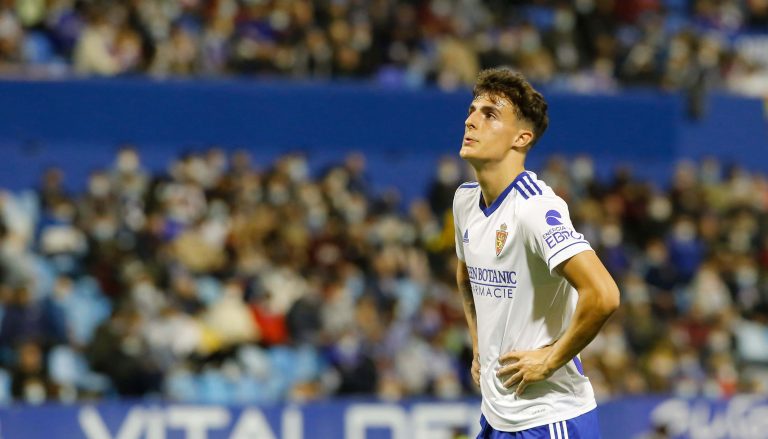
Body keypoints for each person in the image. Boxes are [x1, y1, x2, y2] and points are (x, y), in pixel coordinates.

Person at [453, 67, 620, 438]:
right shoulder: (464, 201)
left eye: (490, 114)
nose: (471, 120)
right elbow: (466, 275)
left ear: (522, 137)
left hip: (549, 418)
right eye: (472, 110)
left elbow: (604, 294)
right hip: (497, 416)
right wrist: (479, 344)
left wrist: (549, 360)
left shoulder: (535, 208)